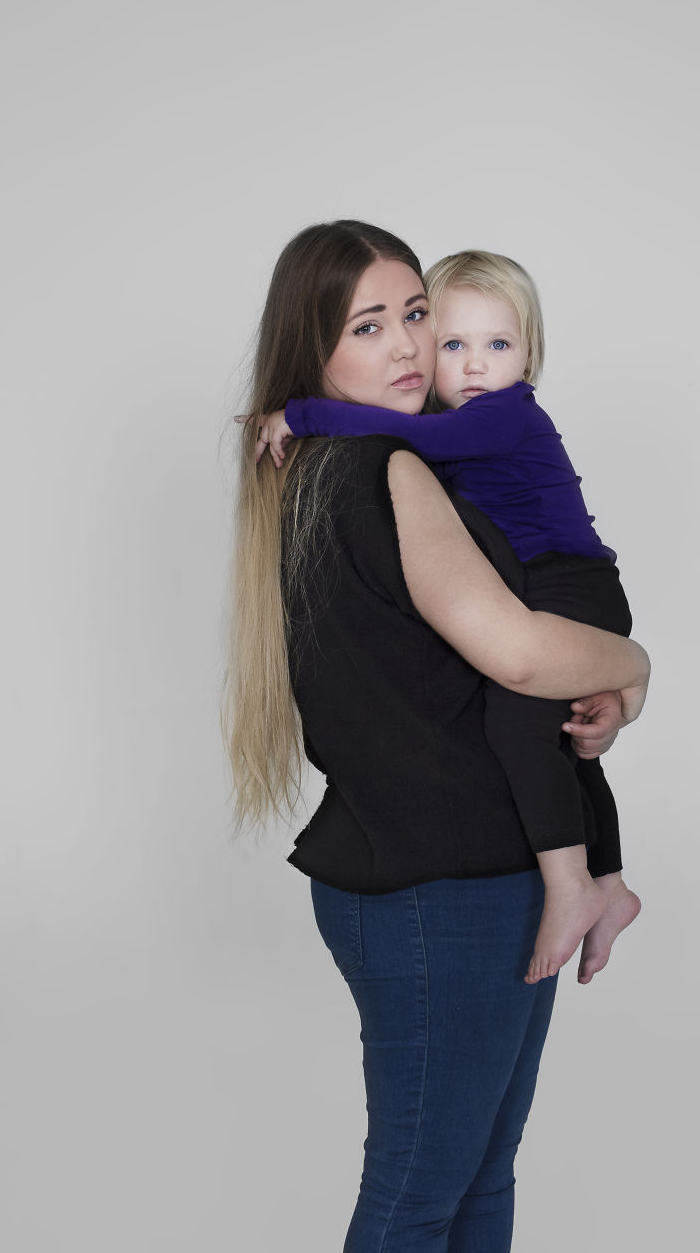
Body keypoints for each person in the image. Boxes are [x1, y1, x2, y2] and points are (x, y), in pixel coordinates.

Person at [226, 220, 650, 1252]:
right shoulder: (386, 468)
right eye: (369, 326)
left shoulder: (324, 474)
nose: (412, 346)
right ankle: (588, 880)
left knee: (471, 1183)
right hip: (440, 890)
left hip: (459, 874)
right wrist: (633, 672)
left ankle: (591, 879)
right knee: (424, 1197)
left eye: (416, 313)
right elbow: (516, 656)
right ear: (315, 355)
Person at [254, 250, 642, 985]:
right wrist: (630, 672)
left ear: (530, 356)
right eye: (454, 343)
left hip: (568, 582)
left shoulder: (497, 418)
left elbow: (420, 443)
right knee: (552, 736)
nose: (471, 365)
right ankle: (606, 885)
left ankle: (577, 884)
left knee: (527, 725)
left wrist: (301, 412)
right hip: (540, 599)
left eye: (497, 345)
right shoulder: (387, 464)